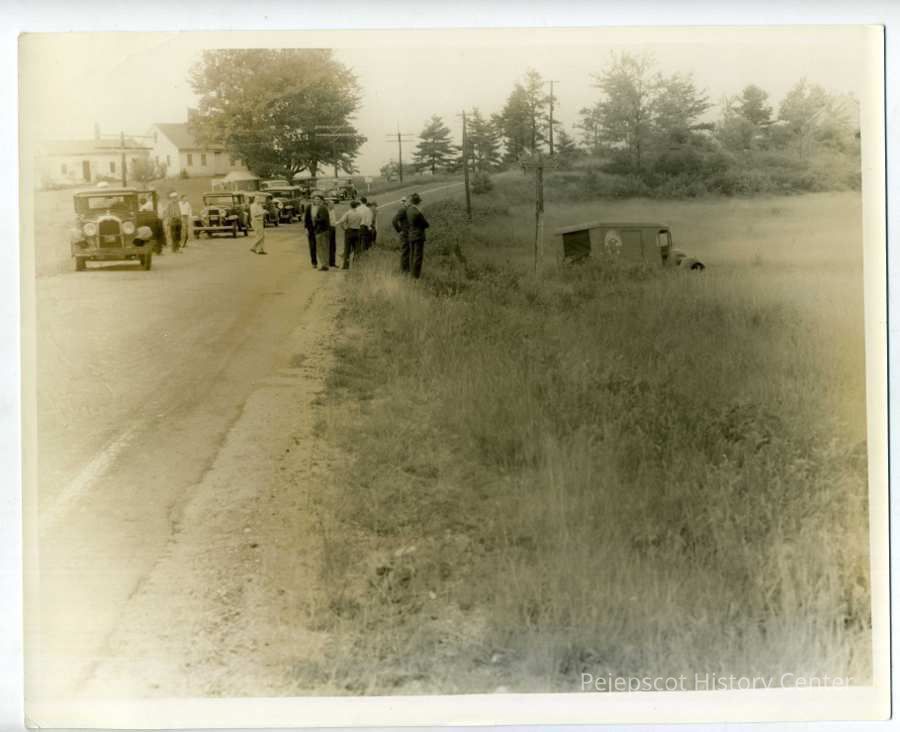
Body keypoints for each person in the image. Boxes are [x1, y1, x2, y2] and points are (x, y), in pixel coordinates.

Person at [305, 194, 331, 270]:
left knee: (321, 247)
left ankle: (324, 264)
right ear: (313, 200)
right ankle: (314, 262)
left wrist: (315, 219)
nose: (316, 200)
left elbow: (323, 219)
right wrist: (306, 229)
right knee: (312, 246)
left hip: (319, 230)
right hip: (311, 229)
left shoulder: (321, 208)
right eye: (315, 199)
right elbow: (306, 219)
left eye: (318, 199)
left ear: (321, 200)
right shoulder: (309, 207)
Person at [407, 193, 429, 279]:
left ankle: (411, 274)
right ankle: (415, 276)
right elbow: (426, 224)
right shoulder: (417, 213)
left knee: (412, 255)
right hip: (418, 236)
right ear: (418, 202)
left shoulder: (409, 210)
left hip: (411, 235)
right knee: (418, 256)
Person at [336, 200, 364, 269]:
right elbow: (362, 222)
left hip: (349, 231)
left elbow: (341, 221)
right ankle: (356, 264)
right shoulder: (360, 214)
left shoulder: (348, 213)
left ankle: (346, 265)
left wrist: (344, 228)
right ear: (356, 206)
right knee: (356, 249)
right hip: (357, 231)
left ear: (350, 206)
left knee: (347, 249)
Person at [392, 196, 411, 273]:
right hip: (405, 234)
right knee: (405, 252)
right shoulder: (403, 210)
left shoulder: (408, 210)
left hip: (409, 233)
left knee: (408, 252)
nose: (409, 203)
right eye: (407, 201)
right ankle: (404, 270)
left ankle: (407, 269)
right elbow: (394, 221)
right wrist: (400, 230)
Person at [327, 199, 338, 268]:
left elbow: (334, 221)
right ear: (328, 205)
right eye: (331, 204)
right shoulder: (327, 212)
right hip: (329, 229)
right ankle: (329, 262)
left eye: (333, 204)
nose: (333, 205)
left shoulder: (333, 211)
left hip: (333, 228)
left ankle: (332, 262)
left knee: (333, 246)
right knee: (330, 245)